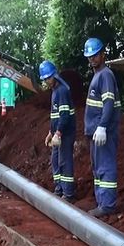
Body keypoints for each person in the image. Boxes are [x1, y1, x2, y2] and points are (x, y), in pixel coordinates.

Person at [83, 37, 120, 217]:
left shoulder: (105, 75)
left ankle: (107, 205)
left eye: (95, 55)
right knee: (98, 167)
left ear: (102, 54)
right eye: (89, 56)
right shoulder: (98, 75)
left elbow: (109, 103)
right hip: (96, 131)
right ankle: (102, 202)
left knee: (105, 165)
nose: (92, 59)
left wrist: (103, 126)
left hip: (103, 131)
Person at [40, 60, 76, 201]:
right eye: (45, 79)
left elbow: (65, 115)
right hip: (57, 133)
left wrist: (58, 133)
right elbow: (55, 115)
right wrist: (50, 132)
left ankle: (68, 194)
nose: (47, 81)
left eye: (48, 78)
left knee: (64, 161)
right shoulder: (55, 91)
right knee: (55, 160)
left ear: (54, 75)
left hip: (65, 134)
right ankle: (59, 188)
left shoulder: (61, 91)